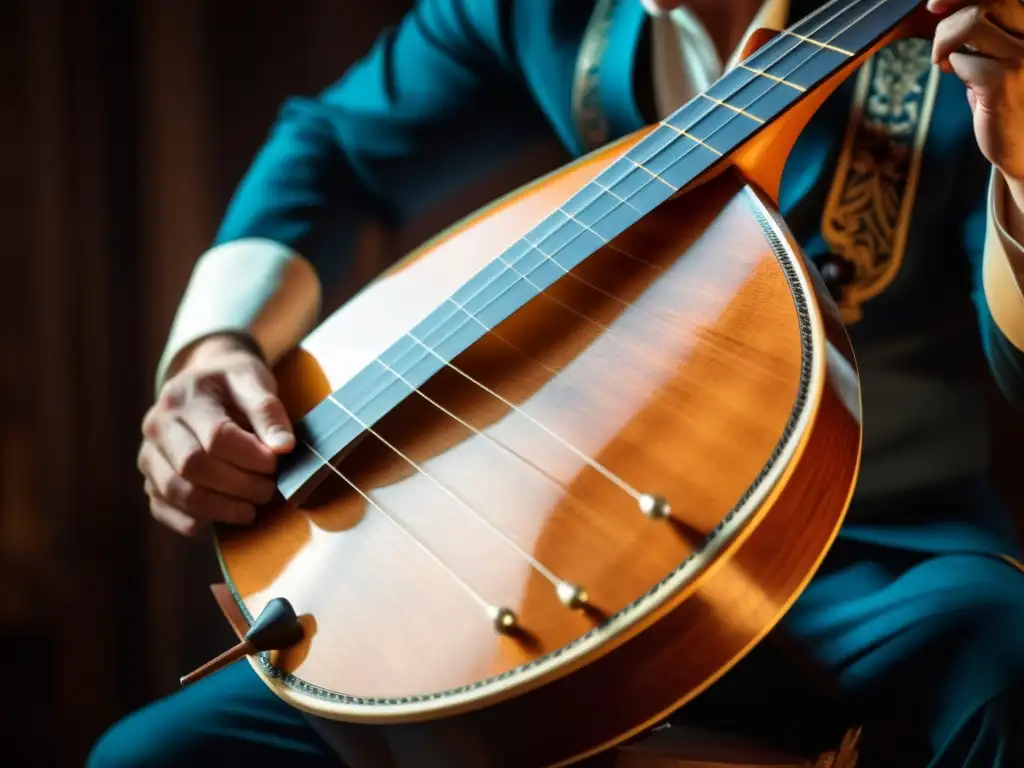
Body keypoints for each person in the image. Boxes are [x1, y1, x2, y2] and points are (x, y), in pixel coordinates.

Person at [89, 0, 1024, 765]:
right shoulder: (550, 12)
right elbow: (333, 146)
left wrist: (1019, 156)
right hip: (536, 549)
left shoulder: (970, 39)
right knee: (152, 758)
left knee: (1008, 676)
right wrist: (213, 351)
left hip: (871, 559)